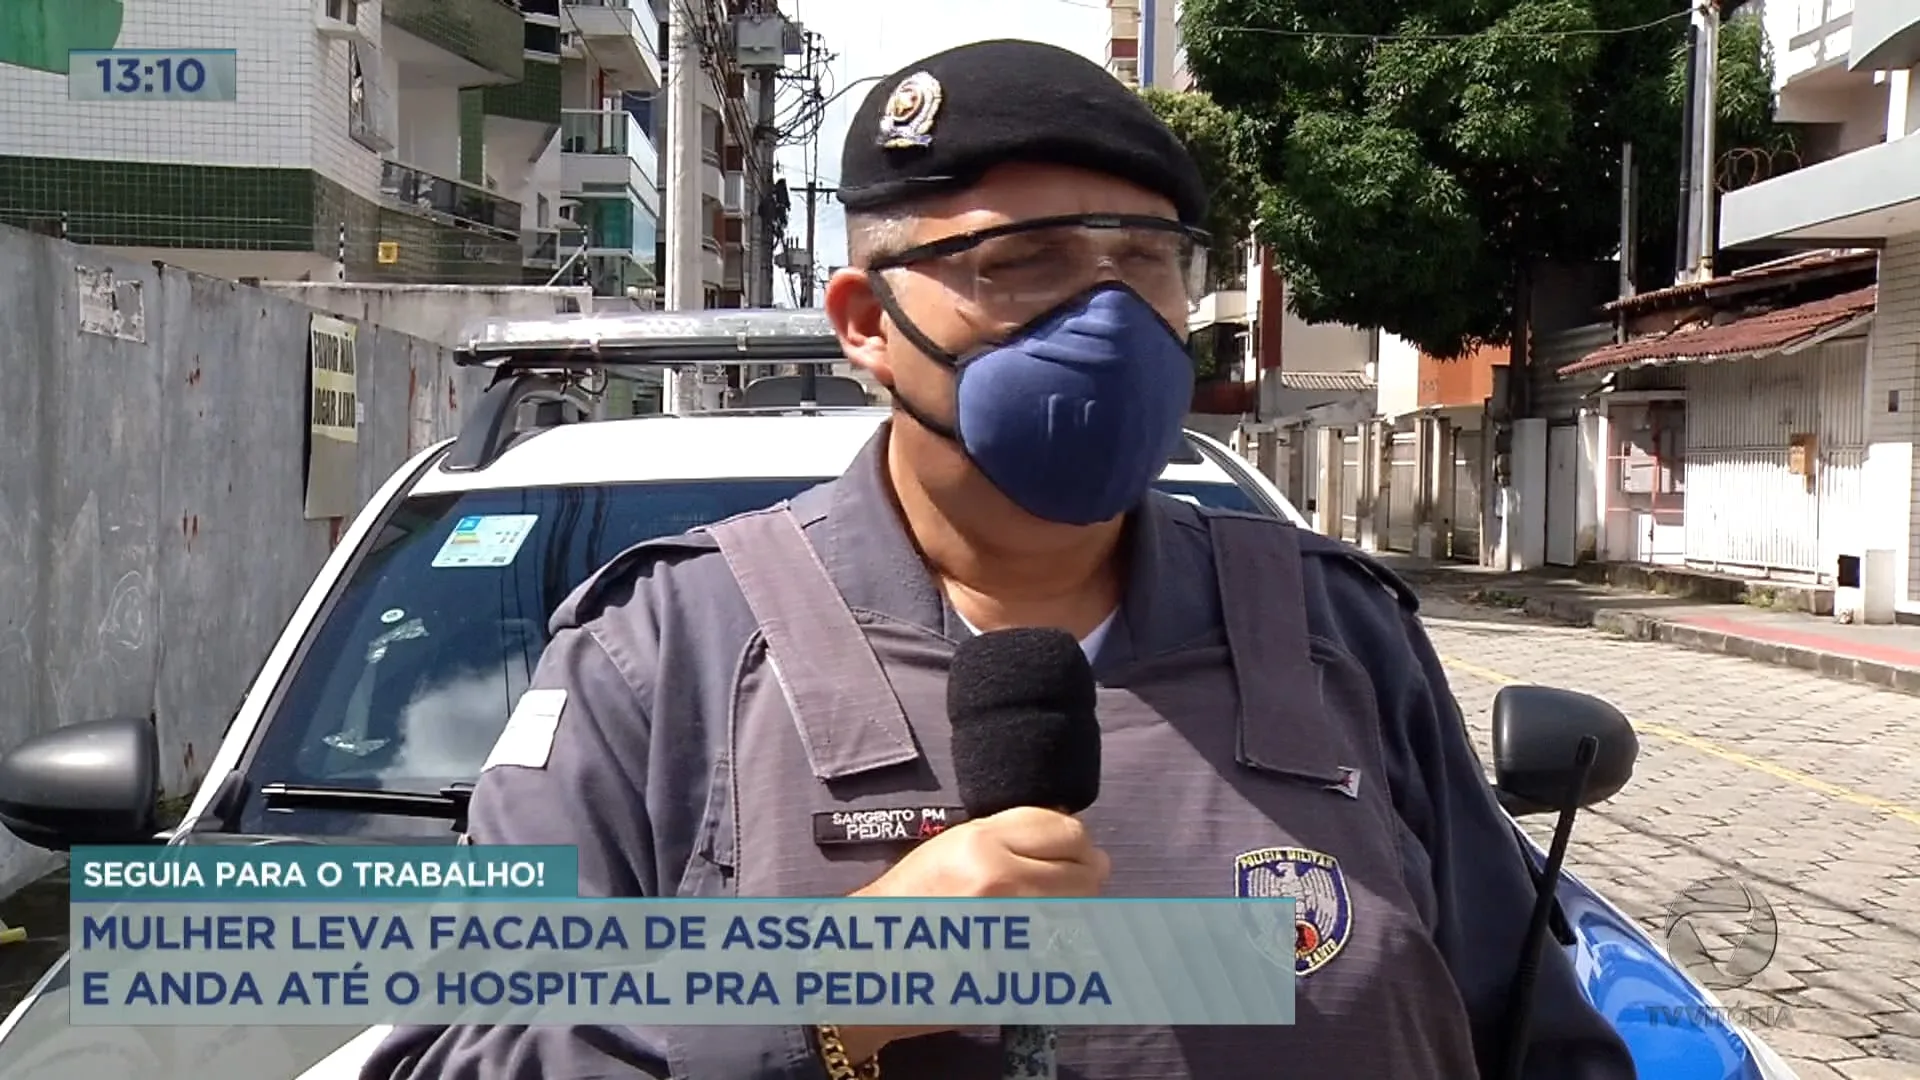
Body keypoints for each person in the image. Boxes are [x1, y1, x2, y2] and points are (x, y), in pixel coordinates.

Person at [364, 37, 1638, 1080]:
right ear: (868, 322)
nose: (1106, 317)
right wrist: (821, 998)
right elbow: (466, 1054)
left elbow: (1539, 1040)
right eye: (1020, 264)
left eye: (1144, 261)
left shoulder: (1334, 634)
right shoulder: (660, 657)